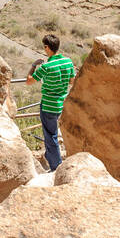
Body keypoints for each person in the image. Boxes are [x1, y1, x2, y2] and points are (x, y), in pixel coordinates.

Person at [26, 34, 75, 171]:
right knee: (56, 134)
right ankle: (51, 156)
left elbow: (29, 81)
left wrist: (33, 66)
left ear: (47, 47)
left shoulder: (45, 67)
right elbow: (72, 81)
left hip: (49, 105)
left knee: (50, 135)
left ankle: (56, 166)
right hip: (62, 104)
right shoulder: (68, 62)